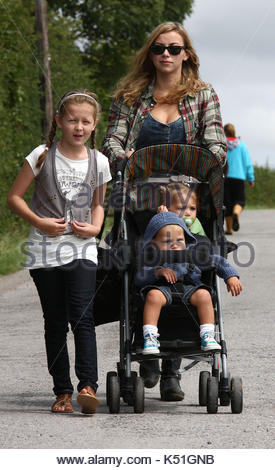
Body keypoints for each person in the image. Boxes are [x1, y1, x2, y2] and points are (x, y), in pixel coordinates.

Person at [102, 21, 227, 400]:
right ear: (150, 54)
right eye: (159, 49)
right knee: (140, 268)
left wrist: (203, 163)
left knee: (186, 267)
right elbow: (112, 140)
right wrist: (125, 158)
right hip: (139, 200)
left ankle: (173, 367)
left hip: (188, 200)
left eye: (174, 48)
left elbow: (216, 141)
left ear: (186, 53)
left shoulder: (203, 94)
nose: (166, 55)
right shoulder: (130, 96)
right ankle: (146, 355)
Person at [7, 89, 112, 414]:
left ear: (94, 125)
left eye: (85, 121)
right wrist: (40, 221)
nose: (78, 127)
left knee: (82, 316)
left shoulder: (100, 161)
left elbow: (98, 205)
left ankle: (87, 386)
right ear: (59, 121)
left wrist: (95, 229)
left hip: (82, 249)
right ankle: (62, 392)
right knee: (54, 321)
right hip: (44, 250)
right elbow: (15, 197)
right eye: (72, 120)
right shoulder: (41, 155)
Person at [135, 212, 242, 355]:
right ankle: (150, 337)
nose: (174, 245)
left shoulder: (193, 252)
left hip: (190, 287)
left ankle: (208, 335)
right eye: (167, 241)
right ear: (153, 244)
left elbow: (218, 261)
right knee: (152, 296)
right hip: (161, 288)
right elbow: (139, 279)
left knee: (204, 295)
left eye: (180, 240)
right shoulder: (151, 257)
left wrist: (231, 276)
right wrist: (157, 272)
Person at [223, 123, 255, 234]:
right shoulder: (242, 146)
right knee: (239, 201)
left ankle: (229, 229)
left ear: (224, 132)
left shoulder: (223, 145)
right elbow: (247, 163)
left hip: (225, 177)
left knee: (227, 203)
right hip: (239, 178)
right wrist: (251, 178)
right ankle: (236, 213)